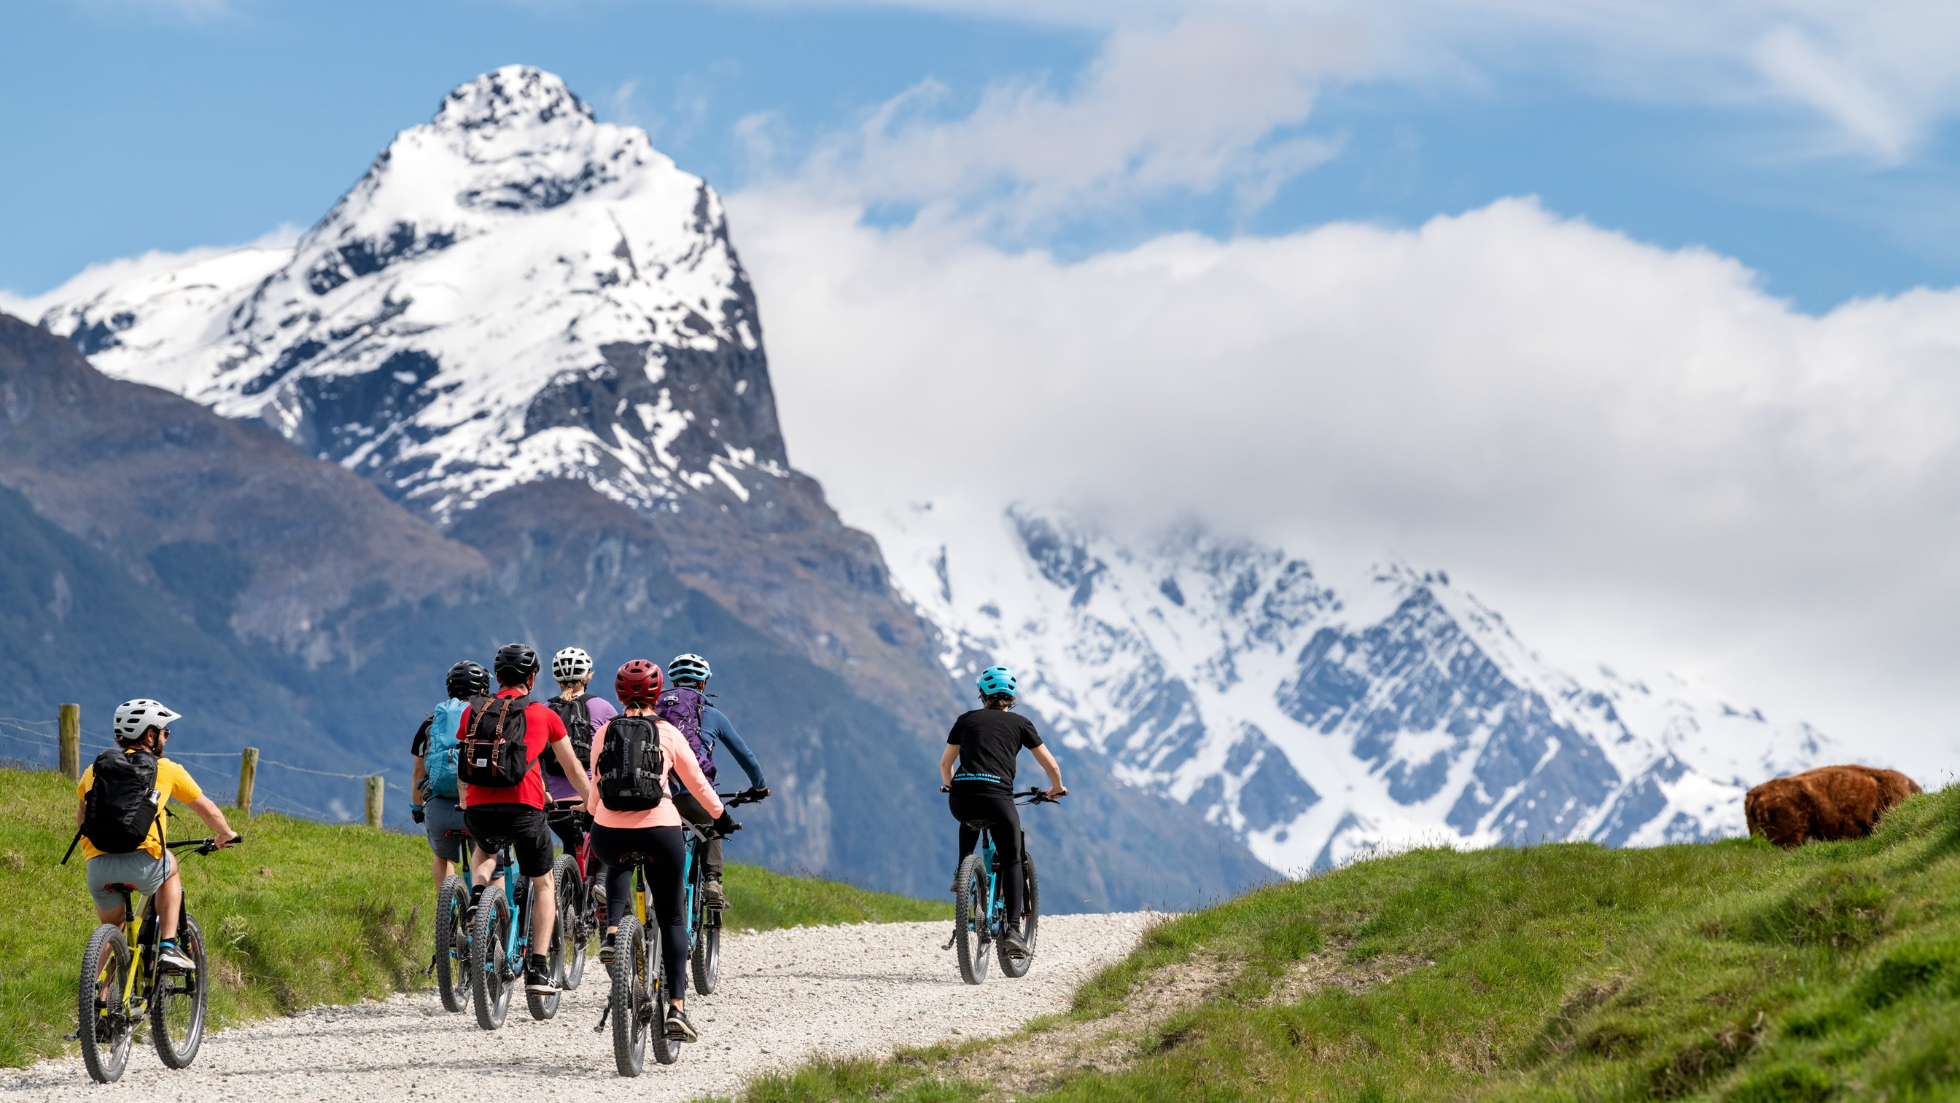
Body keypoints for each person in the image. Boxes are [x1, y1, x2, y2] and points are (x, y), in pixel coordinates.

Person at [588, 659, 735, 1044]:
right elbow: (698, 784)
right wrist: (720, 819)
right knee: (671, 917)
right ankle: (677, 1009)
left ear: (620, 694)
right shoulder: (668, 732)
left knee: (615, 859)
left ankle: (615, 930)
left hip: (609, 832)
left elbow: (593, 797)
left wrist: (602, 813)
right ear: (658, 693)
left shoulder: (604, 732)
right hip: (660, 831)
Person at [457, 643, 595, 994]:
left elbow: (465, 764)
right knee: (544, 883)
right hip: (526, 812)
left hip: (479, 810)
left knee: (485, 852)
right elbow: (573, 770)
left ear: (497, 677)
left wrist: (466, 803)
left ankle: (476, 897)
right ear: (532, 679)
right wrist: (593, 803)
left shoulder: (473, 711)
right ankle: (537, 969)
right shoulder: (544, 715)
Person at [75, 700, 240, 973]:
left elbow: (82, 817)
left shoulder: (95, 770)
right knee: (171, 869)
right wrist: (226, 834)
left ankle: (98, 1003)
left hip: (98, 866)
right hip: (143, 864)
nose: (166, 737)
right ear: (150, 735)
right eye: (165, 732)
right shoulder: (167, 769)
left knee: (111, 928)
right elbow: (207, 809)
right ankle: (168, 946)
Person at [938, 665, 1065, 958]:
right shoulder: (1021, 724)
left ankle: (962, 872)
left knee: (969, 815)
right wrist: (1056, 787)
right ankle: (1013, 933)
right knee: (1011, 859)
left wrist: (950, 786)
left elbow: (946, 766)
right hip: (998, 798)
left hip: (961, 798)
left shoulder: (965, 720)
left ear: (982, 694)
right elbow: (1051, 766)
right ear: (1012, 697)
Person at [656, 653, 768, 907]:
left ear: (673, 683)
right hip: (695, 796)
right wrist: (759, 786)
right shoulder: (713, 716)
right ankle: (711, 880)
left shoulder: (652, 712)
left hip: (657, 796)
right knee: (713, 820)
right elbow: (745, 756)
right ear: (703, 684)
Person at [409, 660, 489, 893]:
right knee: (488, 857)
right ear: (482, 689)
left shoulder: (431, 721)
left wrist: (417, 808)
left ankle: (448, 911)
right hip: (478, 807)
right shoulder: (487, 718)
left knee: (442, 856)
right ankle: (485, 912)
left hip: (439, 808)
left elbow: (418, 771)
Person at [543, 646, 616, 857]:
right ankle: (601, 881)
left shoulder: (546, 708)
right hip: (589, 794)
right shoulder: (603, 707)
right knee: (605, 843)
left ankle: (569, 884)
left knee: (568, 841)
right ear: (587, 676)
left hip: (554, 800)